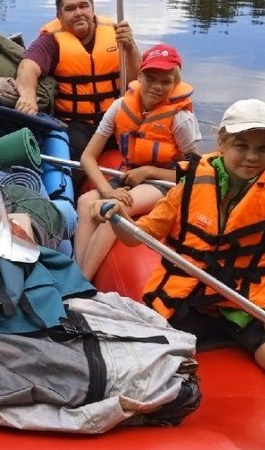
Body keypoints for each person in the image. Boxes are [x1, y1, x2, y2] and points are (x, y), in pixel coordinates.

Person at [94, 99, 265, 393]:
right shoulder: (190, 187)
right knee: (136, 363)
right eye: (241, 145)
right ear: (221, 141)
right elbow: (135, 238)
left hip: (248, 307)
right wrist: (116, 218)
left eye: (263, 148)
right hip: (188, 301)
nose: (252, 157)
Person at [74, 44, 199, 280]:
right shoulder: (120, 106)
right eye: (151, 78)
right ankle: (77, 271)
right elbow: (87, 157)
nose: (157, 87)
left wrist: (149, 171)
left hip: (165, 181)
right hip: (128, 174)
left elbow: (196, 171)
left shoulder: (181, 118)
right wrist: (107, 189)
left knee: (115, 209)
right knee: (84, 201)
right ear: (139, 76)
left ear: (175, 81)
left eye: (166, 81)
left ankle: (83, 281)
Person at [13, 0, 141, 163]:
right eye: (70, 8)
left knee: (144, 148)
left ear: (92, 8)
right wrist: (27, 95)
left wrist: (130, 47)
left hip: (116, 118)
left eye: (83, 6)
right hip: (75, 124)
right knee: (74, 156)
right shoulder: (50, 41)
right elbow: (28, 66)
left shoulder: (117, 33)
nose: (79, 12)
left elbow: (138, 81)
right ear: (59, 15)